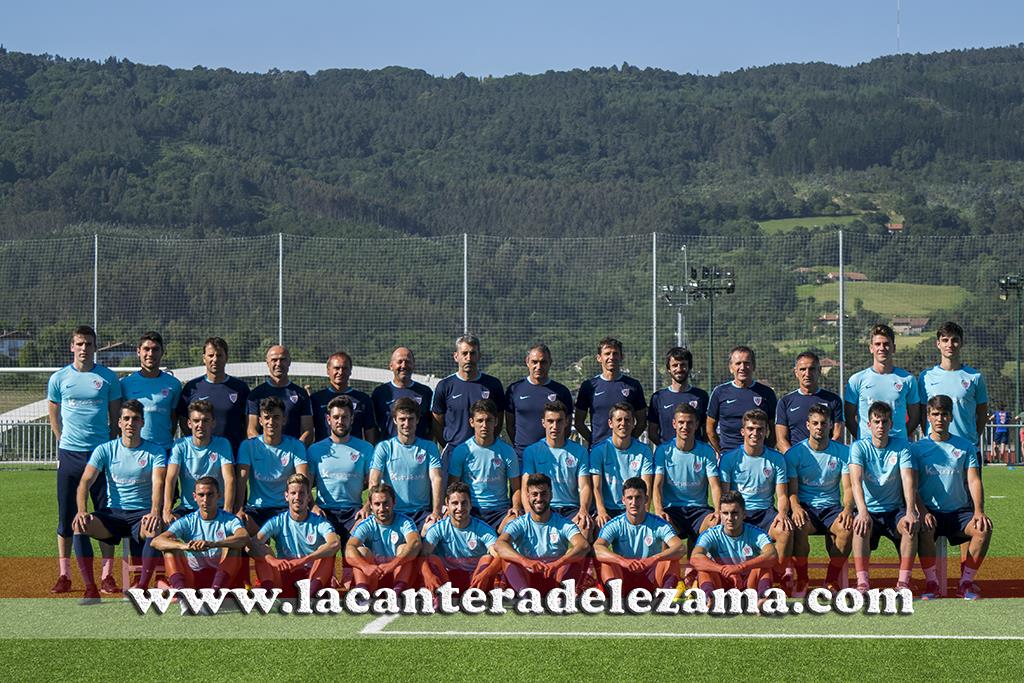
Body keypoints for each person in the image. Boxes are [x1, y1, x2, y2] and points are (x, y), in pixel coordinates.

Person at [47, 324, 121, 594]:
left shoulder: (108, 378)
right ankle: (64, 574)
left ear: (95, 347)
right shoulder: (59, 378)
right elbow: (53, 411)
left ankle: (107, 576)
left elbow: (115, 419)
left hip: (100, 455)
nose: (83, 349)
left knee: (104, 516)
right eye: (79, 344)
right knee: (66, 516)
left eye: (88, 344)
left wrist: (109, 447)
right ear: (72, 346)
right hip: (70, 455)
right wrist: (61, 439)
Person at [71, 400, 166, 603]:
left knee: (153, 527)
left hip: (141, 515)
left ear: (143, 422)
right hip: (113, 514)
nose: (131, 423)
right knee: (79, 526)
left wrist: (155, 511)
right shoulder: (105, 449)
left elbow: (159, 483)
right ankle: (91, 590)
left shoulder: (155, 451)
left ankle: (141, 589)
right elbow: (84, 482)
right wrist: (82, 510)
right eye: (126, 418)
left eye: (135, 419)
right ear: (119, 423)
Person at [912, 395, 993, 600]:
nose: (940, 418)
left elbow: (974, 480)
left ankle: (965, 583)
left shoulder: (966, 447)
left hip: (960, 513)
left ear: (951, 417)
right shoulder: (916, 449)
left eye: (944, 414)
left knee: (984, 528)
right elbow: (911, 486)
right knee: (923, 527)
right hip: (931, 512)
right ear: (928, 416)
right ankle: (932, 583)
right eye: (935, 414)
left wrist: (978, 511)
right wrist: (922, 511)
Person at [718, 409, 793, 589]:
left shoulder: (776, 459)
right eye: (751, 428)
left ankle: (776, 576)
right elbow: (724, 496)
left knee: (785, 530)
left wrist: (782, 513)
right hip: (738, 513)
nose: (755, 433)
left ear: (766, 431)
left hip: (765, 513)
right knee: (714, 528)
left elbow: (782, 495)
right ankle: (724, 577)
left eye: (760, 429)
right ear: (743, 431)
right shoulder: (729, 459)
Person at [848, 401, 918, 593]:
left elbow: (907, 478)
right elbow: (856, 481)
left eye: (884, 421)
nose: (880, 426)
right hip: (869, 510)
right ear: (868, 424)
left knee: (909, 527)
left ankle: (903, 582)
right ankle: (862, 582)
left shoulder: (902, 446)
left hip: (894, 510)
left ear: (891, 424)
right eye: (876, 421)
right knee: (859, 526)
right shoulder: (858, 447)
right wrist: (862, 512)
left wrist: (911, 511)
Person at [785, 404, 853, 594]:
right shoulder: (795, 453)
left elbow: (848, 488)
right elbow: (792, 490)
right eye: (815, 423)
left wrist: (847, 509)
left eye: (824, 423)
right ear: (807, 425)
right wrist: (796, 508)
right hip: (806, 507)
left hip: (832, 508)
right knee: (797, 525)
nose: (819, 427)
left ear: (831, 424)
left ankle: (831, 580)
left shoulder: (843, 452)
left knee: (848, 527)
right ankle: (803, 579)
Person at [652, 403, 721, 583]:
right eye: (681, 422)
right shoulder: (663, 451)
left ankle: (699, 576)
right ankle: (668, 579)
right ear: (674, 424)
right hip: (673, 510)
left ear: (696, 424)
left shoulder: (706, 451)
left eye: (689, 423)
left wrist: (718, 510)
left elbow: (714, 485)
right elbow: (657, 485)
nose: (685, 427)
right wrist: (659, 510)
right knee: (664, 528)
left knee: (715, 525)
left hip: (699, 510)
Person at [494, 474, 589, 593]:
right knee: (507, 558)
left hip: (554, 575)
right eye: (534, 494)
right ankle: (526, 595)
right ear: (528, 497)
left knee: (576, 556)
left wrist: (558, 563)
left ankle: (561, 593)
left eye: (543, 493)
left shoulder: (563, 523)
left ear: (551, 495)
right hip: (527, 575)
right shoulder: (519, 523)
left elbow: (583, 545)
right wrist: (524, 561)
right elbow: (499, 544)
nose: (539, 498)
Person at [151, 476, 248, 590]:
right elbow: (156, 541)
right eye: (201, 495)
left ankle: (215, 593)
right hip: (192, 576)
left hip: (221, 574)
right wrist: (184, 546)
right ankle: (182, 594)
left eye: (210, 494)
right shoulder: (187, 520)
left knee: (233, 546)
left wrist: (214, 544)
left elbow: (244, 537)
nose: (205, 500)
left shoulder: (230, 520)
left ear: (219, 495)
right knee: (170, 549)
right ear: (194, 497)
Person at [251, 474, 340, 597]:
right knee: (263, 550)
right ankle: (270, 596)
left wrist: (303, 560)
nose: (297, 497)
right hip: (286, 572)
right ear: (286, 496)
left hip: (311, 574)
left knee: (326, 552)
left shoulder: (319, 522)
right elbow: (252, 545)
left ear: (309, 497)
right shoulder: (277, 521)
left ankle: (309, 596)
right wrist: (272, 560)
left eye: (302, 493)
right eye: (293, 493)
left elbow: (335, 543)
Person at [594, 477, 685, 591]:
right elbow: (597, 548)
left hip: (651, 577)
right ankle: (616, 597)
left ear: (646, 499)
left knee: (671, 559)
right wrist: (621, 560)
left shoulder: (659, 524)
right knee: (607, 561)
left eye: (638, 497)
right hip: (625, 575)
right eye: (629, 498)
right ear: (623, 500)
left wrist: (654, 559)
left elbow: (680, 547)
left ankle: (664, 597)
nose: (634, 503)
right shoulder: (615, 524)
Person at [306, 395, 374, 546]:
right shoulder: (315, 450)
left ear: (352, 419)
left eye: (344, 417)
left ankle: (349, 569)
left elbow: (373, 485)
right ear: (328, 419)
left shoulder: (366, 448)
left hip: (354, 512)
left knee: (357, 551)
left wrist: (367, 507)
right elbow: (306, 485)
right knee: (325, 550)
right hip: (324, 511)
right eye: (336, 417)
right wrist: (313, 506)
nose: (340, 421)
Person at [236, 396, 309, 534]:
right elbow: (241, 480)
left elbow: (303, 479)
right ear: (260, 421)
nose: (271, 422)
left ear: (284, 420)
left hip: (286, 507)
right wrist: (239, 508)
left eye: (276, 417)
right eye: (267, 417)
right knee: (240, 534)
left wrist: (305, 506)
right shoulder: (248, 446)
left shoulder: (296, 446)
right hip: (256, 508)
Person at [369, 397, 444, 528]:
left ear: (418, 420)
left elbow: (436, 478)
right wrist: (373, 509)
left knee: (432, 531)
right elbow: (374, 480)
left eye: (410, 419)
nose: (406, 423)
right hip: (393, 513)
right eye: (402, 419)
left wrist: (436, 512)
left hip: (421, 513)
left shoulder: (429, 447)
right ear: (394, 420)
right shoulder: (384, 447)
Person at [448, 399, 522, 531]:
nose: (484, 425)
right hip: (471, 511)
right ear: (472, 422)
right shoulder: (461, 451)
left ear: (496, 422)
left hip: (500, 512)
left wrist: (515, 507)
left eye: (488, 420)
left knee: (515, 521)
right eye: (480, 420)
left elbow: (516, 488)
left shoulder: (507, 451)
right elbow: (453, 487)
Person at [521, 401, 594, 535]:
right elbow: (526, 487)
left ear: (566, 422)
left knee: (586, 529)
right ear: (543, 423)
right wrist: (529, 515)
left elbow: (585, 486)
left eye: (559, 421)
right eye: (550, 421)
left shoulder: (579, 452)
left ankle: (569, 557)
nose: (555, 426)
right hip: (543, 506)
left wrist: (583, 510)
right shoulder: (531, 451)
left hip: (570, 509)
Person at [432, 334, 506, 462]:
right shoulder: (444, 385)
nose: (468, 358)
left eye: (472, 353)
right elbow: (437, 422)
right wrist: (448, 444)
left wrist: (488, 441)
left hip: (485, 452)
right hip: (454, 452)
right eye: (464, 353)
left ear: (479, 356)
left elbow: (498, 418)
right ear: (456, 356)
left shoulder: (493, 384)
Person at [689, 491, 777, 596]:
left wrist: (740, 567)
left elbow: (772, 555)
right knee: (704, 569)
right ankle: (709, 599)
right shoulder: (711, 534)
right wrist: (723, 570)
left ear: (744, 514)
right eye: (725, 513)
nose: (730, 518)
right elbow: (695, 558)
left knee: (763, 566)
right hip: (722, 582)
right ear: (720, 514)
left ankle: (763, 599)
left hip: (749, 583)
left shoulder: (757, 533)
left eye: (734, 513)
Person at [421, 482, 502, 592]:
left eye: (464, 503)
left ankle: (475, 595)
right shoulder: (438, 528)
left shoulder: (482, 529)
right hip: (447, 578)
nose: (460, 508)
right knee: (431, 559)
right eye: (455, 503)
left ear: (470, 504)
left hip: (475, 578)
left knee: (488, 559)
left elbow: (500, 556)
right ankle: (441, 595)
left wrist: (486, 573)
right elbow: (421, 556)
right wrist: (428, 575)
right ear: (447, 504)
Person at [845, 324, 921, 441]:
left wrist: (900, 438)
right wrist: (864, 441)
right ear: (871, 348)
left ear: (893, 348)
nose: (882, 348)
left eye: (886, 344)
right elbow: (849, 418)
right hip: (868, 447)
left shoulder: (907, 380)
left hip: (898, 449)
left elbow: (915, 417)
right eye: (877, 344)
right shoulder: (857, 380)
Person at [163, 400, 235, 523]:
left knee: (239, 536)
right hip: (188, 508)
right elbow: (171, 478)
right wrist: (167, 510)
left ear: (213, 423)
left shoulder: (222, 444)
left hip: (217, 508)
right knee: (161, 528)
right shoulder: (180, 445)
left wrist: (227, 510)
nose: (200, 425)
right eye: (196, 421)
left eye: (205, 420)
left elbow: (230, 479)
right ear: (189, 423)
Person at [918, 322, 988, 445]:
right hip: (935, 447)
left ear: (961, 343)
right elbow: (923, 414)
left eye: (954, 340)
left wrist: (973, 438)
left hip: (967, 447)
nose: (950, 345)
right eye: (945, 340)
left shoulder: (975, 377)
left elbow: (982, 413)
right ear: (938, 344)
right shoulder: (926, 377)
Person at [177, 336, 250, 451]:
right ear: (204, 358)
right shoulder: (191, 388)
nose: (215, 359)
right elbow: (183, 421)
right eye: (211, 355)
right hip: (201, 456)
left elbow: (248, 424)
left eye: (219, 355)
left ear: (227, 358)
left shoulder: (240, 388)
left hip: (233, 455)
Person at [346, 483, 421, 592]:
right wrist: (365, 567)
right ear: (371, 506)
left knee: (405, 547)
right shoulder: (366, 524)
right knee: (361, 551)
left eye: (386, 503)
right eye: (377, 504)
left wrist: (392, 564)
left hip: (397, 572)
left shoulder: (404, 521)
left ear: (393, 503)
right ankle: (363, 592)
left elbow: (416, 543)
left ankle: (398, 592)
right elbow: (349, 548)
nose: (382, 508)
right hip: (374, 575)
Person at [590, 402, 654, 527]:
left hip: (633, 507)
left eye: (627, 420)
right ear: (610, 423)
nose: (623, 423)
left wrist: (644, 511)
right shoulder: (598, 451)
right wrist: (601, 511)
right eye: (619, 419)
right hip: (608, 508)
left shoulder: (644, 451)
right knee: (592, 531)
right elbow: (596, 487)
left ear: (633, 423)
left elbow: (646, 486)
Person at [574, 337, 646, 448]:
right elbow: (579, 422)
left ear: (622, 357)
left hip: (625, 451)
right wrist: (594, 442)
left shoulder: (633, 386)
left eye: (615, 353)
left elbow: (642, 422)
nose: (611, 357)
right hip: (598, 451)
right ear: (599, 358)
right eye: (607, 354)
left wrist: (629, 441)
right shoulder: (588, 386)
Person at [504, 343, 574, 458]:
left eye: (543, 362)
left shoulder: (562, 391)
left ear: (550, 363)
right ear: (527, 362)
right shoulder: (514, 389)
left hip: (553, 456)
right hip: (523, 455)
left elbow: (567, 426)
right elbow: (510, 426)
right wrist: (521, 447)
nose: (539, 366)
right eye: (534, 362)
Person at [707, 346, 778, 454]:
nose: (742, 367)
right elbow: (710, 428)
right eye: (738, 363)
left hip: (758, 456)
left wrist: (765, 450)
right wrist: (720, 451)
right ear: (731, 368)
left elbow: (774, 429)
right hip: (728, 455)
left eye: (747, 363)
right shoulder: (719, 392)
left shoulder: (767, 393)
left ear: (753, 366)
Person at [120, 331, 182, 453]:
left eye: (155, 349)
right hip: (134, 450)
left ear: (162, 352)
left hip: (164, 449)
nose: (150, 354)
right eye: (146, 349)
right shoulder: (125, 383)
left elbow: (174, 418)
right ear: (138, 352)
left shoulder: (174, 384)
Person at [774, 351, 843, 453]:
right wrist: (795, 459)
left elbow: (838, 435)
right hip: (796, 462)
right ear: (796, 372)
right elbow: (781, 440)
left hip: (826, 461)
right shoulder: (785, 402)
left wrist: (824, 456)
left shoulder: (833, 400)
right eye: (802, 369)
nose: (807, 373)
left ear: (819, 370)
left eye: (811, 369)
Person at [247, 345, 314, 446]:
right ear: (267, 362)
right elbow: (251, 430)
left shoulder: (301, 394)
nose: (278, 363)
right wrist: (265, 450)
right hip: (264, 455)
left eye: (282, 359)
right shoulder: (256, 394)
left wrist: (294, 451)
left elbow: (308, 431)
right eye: (274, 360)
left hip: (293, 456)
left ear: (289, 362)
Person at [311, 351, 378, 444]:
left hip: (355, 455)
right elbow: (309, 429)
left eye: (345, 368)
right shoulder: (316, 399)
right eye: (336, 368)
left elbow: (370, 431)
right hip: (325, 454)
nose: (340, 372)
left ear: (351, 371)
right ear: (328, 370)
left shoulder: (363, 399)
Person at [647, 347, 709, 446]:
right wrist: (664, 450)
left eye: (683, 365)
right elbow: (652, 432)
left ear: (689, 367)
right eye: (675, 365)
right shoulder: (658, 397)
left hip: (695, 456)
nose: (679, 369)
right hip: (668, 458)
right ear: (668, 369)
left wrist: (699, 449)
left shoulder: (701, 396)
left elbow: (707, 430)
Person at [371, 347, 433, 440]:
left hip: (419, 452)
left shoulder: (426, 392)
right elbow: (372, 427)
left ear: (413, 365)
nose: (403, 366)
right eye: (399, 362)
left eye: (407, 362)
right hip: (390, 452)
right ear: (391, 365)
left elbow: (433, 426)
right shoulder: (380, 393)